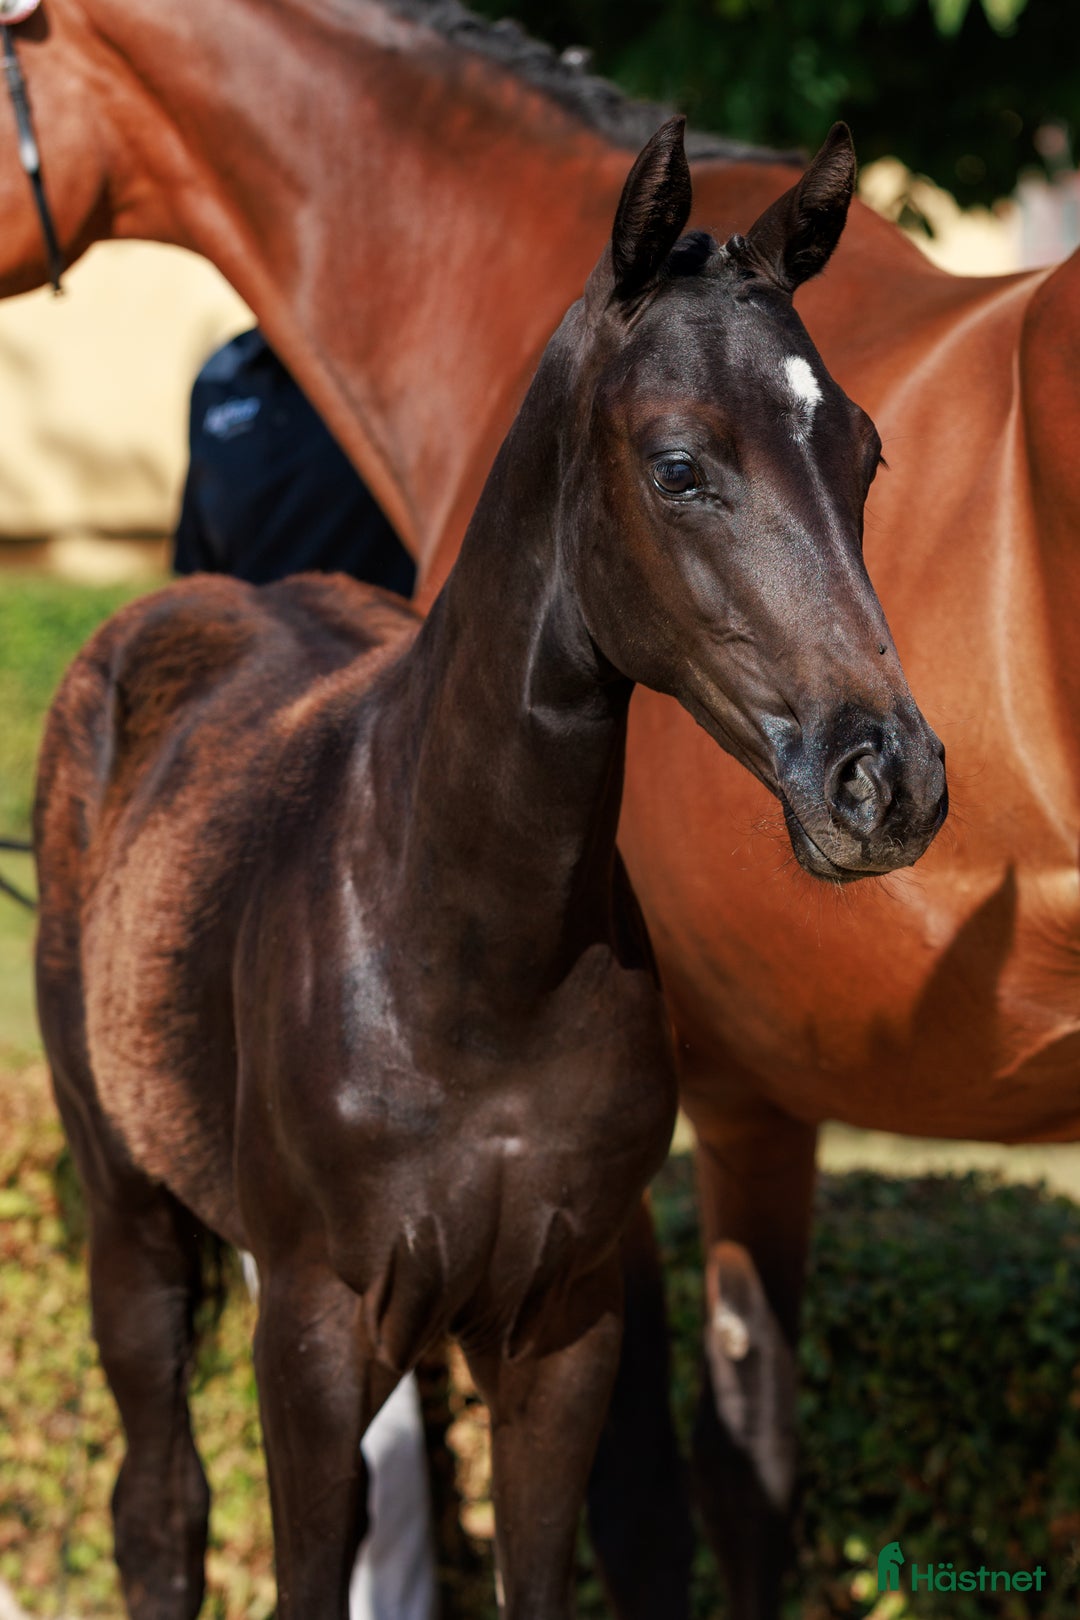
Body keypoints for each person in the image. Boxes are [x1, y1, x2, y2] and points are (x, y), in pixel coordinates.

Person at [178, 332, 435, 1620]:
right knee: (306, 1274)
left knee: (354, 1269)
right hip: (256, 816)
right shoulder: (221, 386)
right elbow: (194, 594)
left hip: (390, 811)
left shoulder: (384, 367)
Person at [174, 327, 415, 596]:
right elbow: (196, 562)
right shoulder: (221, 373)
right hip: (245, 617)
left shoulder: (397, 365)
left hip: (373, 616)